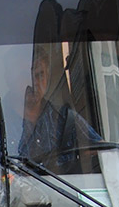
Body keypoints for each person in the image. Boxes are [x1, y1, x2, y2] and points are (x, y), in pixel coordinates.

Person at [18, 44, 101, 174]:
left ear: (48, 77)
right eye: (26, 75)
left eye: (40, 74)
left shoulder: (66, 118)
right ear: (10, 79)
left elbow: (101, 149)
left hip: (63, 194)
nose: (34, 83)